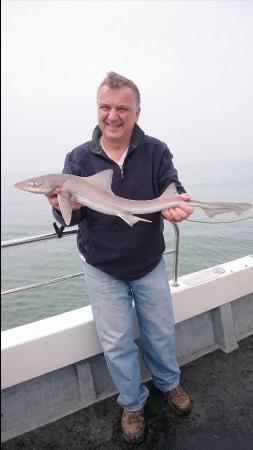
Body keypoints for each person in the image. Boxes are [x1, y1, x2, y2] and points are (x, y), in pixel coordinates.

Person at [47, 71, 193, 444]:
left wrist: (177, 204)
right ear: (97, 109)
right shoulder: (78, 159)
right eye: (105, 107)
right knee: (116, 343)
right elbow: (71, 219)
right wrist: (60, 205)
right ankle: (131, 403)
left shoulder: (156, 150)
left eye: (122, 108)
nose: (112, 115)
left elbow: (172, 187)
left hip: (148, 261)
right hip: (102, 267)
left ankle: (169, 383)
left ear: (137, 112)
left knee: (160, 332)